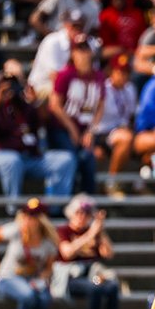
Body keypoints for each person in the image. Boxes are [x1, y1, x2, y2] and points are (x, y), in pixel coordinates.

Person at [0, 73, 76, 215]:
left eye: (13, 86)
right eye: (5, 86)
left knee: (65, 160)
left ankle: (53, 210)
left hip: (29, 158)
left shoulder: (25, 107)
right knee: (12, 160)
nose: (10, 90)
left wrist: (36, 102)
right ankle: (13, 210)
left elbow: (45, 120)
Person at [48, 33, 105, 194]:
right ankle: (67, 202)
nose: (82, 54)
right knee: (71, 158)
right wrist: (71, 128)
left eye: (85, 50)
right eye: (78, 50)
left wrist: (90, 131)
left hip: (85, 128)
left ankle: (88, 201)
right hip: (61, 128)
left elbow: (100, 106)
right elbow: (55, 105)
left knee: (89, 159)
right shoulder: (65, 75)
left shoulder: (98, 76)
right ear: (72, 53)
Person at [0, 199, 59, 309]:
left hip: (33, 279)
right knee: (28, 295)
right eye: (27, 214)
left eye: (33, 215)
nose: (28, 218)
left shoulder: (49, 241)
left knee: (44, 299)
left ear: (42, 219)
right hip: (9, 278)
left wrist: (40, 280)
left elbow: (49, 268)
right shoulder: (16, 229)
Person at [57, 194, 118, 309]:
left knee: (112, 286)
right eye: (79, 212)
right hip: (72, 275)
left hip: (93, 272)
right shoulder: (63, 231)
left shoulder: (93, 231)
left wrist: (100, 230)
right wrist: (90, 234)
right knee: (94, 288)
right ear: (71, 213)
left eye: (86, 213)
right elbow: (67, 253)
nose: (82, 216)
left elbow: (108, 253)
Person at [92, 54, 137, 197]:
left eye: (126, 73)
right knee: (126, 138)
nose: (123, 76)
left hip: (121, 130)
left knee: (142, 142)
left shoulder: (130, 89)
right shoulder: (102, 89)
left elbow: (130, 115)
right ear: (111, 72)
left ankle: (140, 183)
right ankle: (111, 181)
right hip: (102, 132)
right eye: (119, 72)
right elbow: (93, 116)